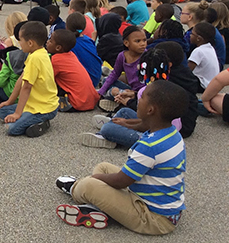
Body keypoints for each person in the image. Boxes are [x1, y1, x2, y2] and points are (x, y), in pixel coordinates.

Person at [55, 79, 187, 234]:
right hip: (160, 207)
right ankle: (100, 209)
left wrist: (93, 180)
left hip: (153, 219)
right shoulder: (171, 133)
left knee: (89, 185)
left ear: (151, 110)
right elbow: (143, 125)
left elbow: (120, 181)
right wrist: (125, 123)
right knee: (103, 167)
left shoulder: (149, 146)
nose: (138, 99)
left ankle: (75, 188)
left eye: (142, 97)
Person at [0, 21, 59, 137]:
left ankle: (42, 123)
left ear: (30, 43)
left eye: (20, 40)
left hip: (43, 108)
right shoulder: (36, 52)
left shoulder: (35, 58)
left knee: (12, 129)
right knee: (1, 111)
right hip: (33, 104)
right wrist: (9, 101)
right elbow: (21, 79)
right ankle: (28, 120)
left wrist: (17, 114)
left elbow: (26, 87)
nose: (19, 43)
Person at [48, 29, 99, 112]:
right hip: (91, 100)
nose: (47, 42)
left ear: (58, 48)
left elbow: (47, 80)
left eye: (50, 41)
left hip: (77, 103)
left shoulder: (56, 60)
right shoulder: (71, 55)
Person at [67, 13, 102, 87]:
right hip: (96, 77)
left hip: (86, 82)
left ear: (66, 27)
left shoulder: (69, 44)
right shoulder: (88, 39)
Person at [188, 21, 220, 89]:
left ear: (198, 38)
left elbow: (188, 70)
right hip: (211, 83)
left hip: (203, 85)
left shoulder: (198, 51)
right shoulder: (210, 47)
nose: (190, 35)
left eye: (192, 34)